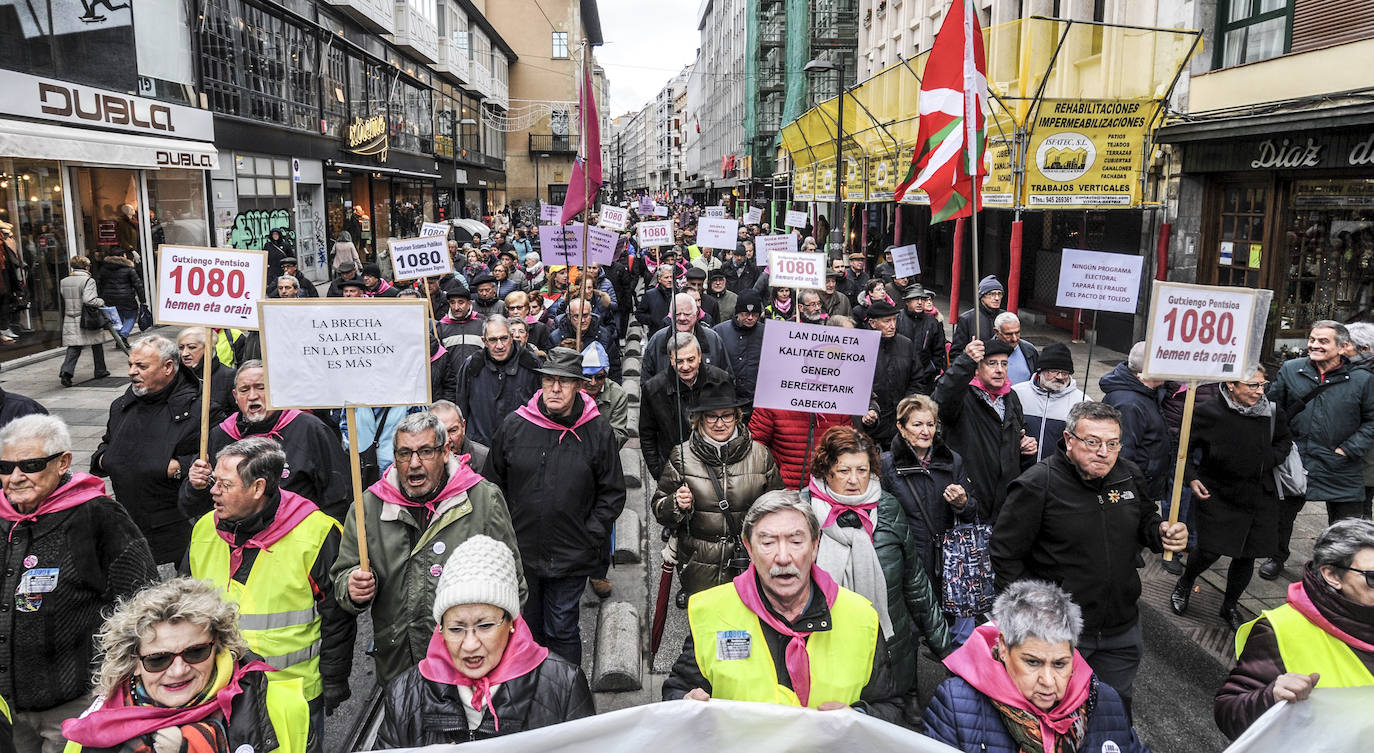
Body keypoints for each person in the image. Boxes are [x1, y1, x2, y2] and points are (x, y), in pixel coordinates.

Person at [992, 401, 1188, 714]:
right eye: (1092, 442)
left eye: (1113, 444)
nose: (1103, 452)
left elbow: (1146, 520)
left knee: (1112, 711)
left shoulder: (1128, 475)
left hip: (1120, 628)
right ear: (1069, 440)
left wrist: (1161, 532)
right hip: (1059, 635)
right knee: (1055, 713)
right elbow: (1005, 555)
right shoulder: (1037, 484)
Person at [661, 491, 902, 722]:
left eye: (796, 541)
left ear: (815, 545)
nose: (783, 557)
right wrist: (686, 702)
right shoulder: (711, 612)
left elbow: (890, 707)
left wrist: (856, 717)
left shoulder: (860, 618)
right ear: (749, 548)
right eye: (768, 543)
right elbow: (677, 691)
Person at [184, 437, 354, 749]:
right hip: (219, 693)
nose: (213, 491)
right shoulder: (204, 529)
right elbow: (182, 608)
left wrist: (334, 679)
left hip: (292, 693)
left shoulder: (317, 533)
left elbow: (337, 617)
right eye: (213, 482)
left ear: (258, 488)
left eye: (225, 484)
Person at [0, 415, 156, 753]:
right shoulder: (2, 516)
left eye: (30, 464)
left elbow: (143, 602)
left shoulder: (98, 516)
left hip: (71, 707)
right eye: (5, 466)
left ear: (63, 462)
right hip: (5, 709)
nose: (15, 477)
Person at [333, 411, 524, 686]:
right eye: (404, 453)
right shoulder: (367, 508)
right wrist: (351, 587)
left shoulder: (483, 500)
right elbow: (343, 575)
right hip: (399, 664)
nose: (414, 464)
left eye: (425, 451)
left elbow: (515, 587)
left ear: (445, 452)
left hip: (467, 663)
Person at [378, 536, 594, 745]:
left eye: (485, 626)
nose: (470, 645)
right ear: (440, 629)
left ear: (511, 622)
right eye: (456, 629)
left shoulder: (564, 687)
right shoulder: (403, 695)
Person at [487, 348, 626, 664]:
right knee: (527, 629)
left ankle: (568, 693)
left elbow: (612, 492)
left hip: (572, 554)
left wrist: (589, 534)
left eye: (564, 382)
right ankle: (533, 693)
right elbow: (493, 486)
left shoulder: (597, 430)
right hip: (522, 555)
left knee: (562, 629)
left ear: (578, 386)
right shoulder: (514, 426)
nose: (555, 388)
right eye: (549, 380)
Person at [61, 578, 309, 753]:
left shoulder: (282, 708)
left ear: (219, 647)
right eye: (158, 659)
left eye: (196, 652)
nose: (178, 670)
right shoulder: (94, 728)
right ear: (133, 662)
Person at [923, 581, 1149, 753]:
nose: (1049, 681)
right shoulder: (956, 706)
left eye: (1060, 664)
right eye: (1033, 662)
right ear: (1003, 647)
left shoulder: (1104, 701)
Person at [1215, 518, 1374, 739]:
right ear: (1332, 575)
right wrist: (1270, 698)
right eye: (1373, 577)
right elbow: (1228, 712)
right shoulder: (1281, 629)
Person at [1172, 364, 1291, 631]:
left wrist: (1269, 459)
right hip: (1219, 493)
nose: (1260, 391)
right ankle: (1186, 581)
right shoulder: (1207, 412)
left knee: (1247, 555)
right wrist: (1192, 477)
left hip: (1259, 495)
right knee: (1210, 549)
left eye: (1263, 385)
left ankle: (1229, 605)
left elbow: (1284, 441)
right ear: (1231, 385)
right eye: (1253, 385)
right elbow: (1183, 448)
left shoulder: (1272, 413)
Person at [1265, 320, 1374, 580]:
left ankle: (1329, 567)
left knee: (1344, 527)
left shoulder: (1362, 379)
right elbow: (1273, 409)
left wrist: (1348, 449)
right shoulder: (1291, 369)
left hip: (1342, 463)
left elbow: (1372, 419)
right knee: (1283, 516)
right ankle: (1276, 557)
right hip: (1296, 459)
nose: (1314, 345)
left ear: (1344, 346)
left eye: (1323, 341)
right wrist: (1281, 445)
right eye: (1312, 339)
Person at [652, 383, 783, 598]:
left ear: (737, 417)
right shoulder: (681, 455)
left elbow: (777, 510)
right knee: (704, 626)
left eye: (727, 416)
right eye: (711, 416)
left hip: (747, 561)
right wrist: (675, 503)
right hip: (698, 564)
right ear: (700, 419)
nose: (719, 423)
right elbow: (658, 508)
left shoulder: (761, 456)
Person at [179, 361, 351, 523]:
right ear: (235, 396)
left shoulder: (309, 428)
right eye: (244, 390)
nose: (253, 396)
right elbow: (192, 507)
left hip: (297, 539)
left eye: (261, 387)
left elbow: (338, 494)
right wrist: (196, 486)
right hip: (238, 541)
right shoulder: (220, 435)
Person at [91, 335, 202, 569]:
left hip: (175, 529)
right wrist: (104, 458)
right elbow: (108, 442)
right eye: (131, 364)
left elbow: (214, 457)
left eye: (142, 366)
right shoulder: (122, 405)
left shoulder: (199, 407)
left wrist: (178, 467)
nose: (132, 372)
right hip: (128, 524)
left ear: (168, 368)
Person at [880, 395, 977, 601]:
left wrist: (962, 503)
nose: (926, 431)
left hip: (947, 560)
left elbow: (972, 511)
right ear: (901, 427)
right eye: (917, 424)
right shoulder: (886, 465)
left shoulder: (952, 460)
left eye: (930, 424)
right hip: (907, 560)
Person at [934, 339, 1035, 520]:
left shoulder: (1011, 397)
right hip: (968, 498)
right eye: (992, 364)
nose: (999, 370)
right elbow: (941, 398)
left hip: (1004, 504)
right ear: (977, 369)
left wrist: (1025, 447)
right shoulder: (963, 397)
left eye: (1004, 364)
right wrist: (965, 360)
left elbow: (1019, 433)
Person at [640, 334, 736, 482]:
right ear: (671, 359)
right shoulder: (653, 389)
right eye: (679, 361)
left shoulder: (721, 379)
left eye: (690, 360)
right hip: (675, 471)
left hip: (717, 470)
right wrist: (660, 474)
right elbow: (647, 435)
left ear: (700, 356)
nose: (685, 367)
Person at [1099, 342, 1171, 504]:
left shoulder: (1145, 393)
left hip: (1142, 487)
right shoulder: (1129, 404)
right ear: (1144, 373)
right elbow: (1123, 453)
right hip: (1133, 492)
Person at [455, 315, 541, 447]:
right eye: (493, 340)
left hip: (522, 446)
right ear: (484, 341)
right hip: (481, 447)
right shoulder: (473, 365)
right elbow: (462, 407)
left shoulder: (531, 364)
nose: (499, 345)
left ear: (511, 337)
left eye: (504, 338)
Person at [860, 300, 927, 448]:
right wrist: (869, 410)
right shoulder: (861, 347)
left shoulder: (906, 344)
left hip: (902, 419)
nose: (892, 325)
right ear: (872, 323)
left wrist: (907, 406)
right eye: (887, 321)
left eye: (894, 320)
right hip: (873, 421)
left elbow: (917, 379)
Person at [1010, 343, 1084, 464]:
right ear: (1040, 371)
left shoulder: (1082, 402)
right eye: (1054, 371)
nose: (1060, 377)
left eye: (1065, 373)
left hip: (1059, 476)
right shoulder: (1016, 394)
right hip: (1020, 473)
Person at [640, 293, 730, 383]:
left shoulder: (713, 339)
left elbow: (726, 377)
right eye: (677, 314)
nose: (682, 318)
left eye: (687, 314)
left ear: (696, 313)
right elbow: (646, 381)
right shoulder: (658, 340)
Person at [58, 257, 109, 387]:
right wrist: (101, 301)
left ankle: (66, 372)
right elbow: (89, 300)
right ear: (86, 267)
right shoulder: (88, 280)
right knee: (97, 344)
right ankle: (100, 370)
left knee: (74, 347)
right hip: (87, 317)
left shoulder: (64, 281)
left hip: (70, 316)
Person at [714, 290, 766, 408]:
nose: (750, 318)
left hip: (756, 402)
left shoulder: (766, 333)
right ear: (737, 313)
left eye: (755, 315)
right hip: (727, 400)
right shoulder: (719, 332)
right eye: (745, 314)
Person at [177, 328, 237, 426]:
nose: (184, 353)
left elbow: (236, 416)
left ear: (208, 348)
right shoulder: (177, 375)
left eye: (192, 347)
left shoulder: (229, 376)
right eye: (181, 348)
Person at [582, 342, 629, 450]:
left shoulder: (617, 395)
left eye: (599, 377)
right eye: (588, 377)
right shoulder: (572, 391)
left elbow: (619, 435)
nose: (593, 383)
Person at [896, 285, 945, 381]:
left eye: (922, 299)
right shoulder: (897, 319)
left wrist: (932, 369)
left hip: (925, 376)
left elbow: (939, 350)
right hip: (900, 375)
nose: (919, 303)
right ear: (907, 301)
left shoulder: (932, 322)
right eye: (915, 299)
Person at [430, 399, 489, 474]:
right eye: (440, 433)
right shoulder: (423, 460)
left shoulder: (484, 459)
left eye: (453, 431)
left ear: (463, 426)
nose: (447, 439)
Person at [951, 275, 1004, 355]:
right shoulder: (967, 319)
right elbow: (955, 353)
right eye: (992, 294)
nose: (997, 298)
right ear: (982, 296)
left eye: (999, 294)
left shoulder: (1006, 317)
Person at [95, 251, 143, 338]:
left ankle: (119, 339)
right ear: (122, 256)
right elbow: (138, 285)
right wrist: (142, 300)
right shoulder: (129, 269)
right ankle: (123, 334)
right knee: (131, 316)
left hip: (109, 298)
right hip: (127, 298)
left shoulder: (103, 269)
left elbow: (99, 284)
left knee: (117, 319)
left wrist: (100, 297)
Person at [436, 283, 487, 364]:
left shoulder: (482, 322)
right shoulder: (441, 327)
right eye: (452, 303)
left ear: (469, 303)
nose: (456, 308)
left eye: (460, 302)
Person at [992, 312, 1039, 386]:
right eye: (1008, 334)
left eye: (1017, 333)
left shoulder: (1029, 350)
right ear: (996, 332)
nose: (1014, 338)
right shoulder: (984, 352)